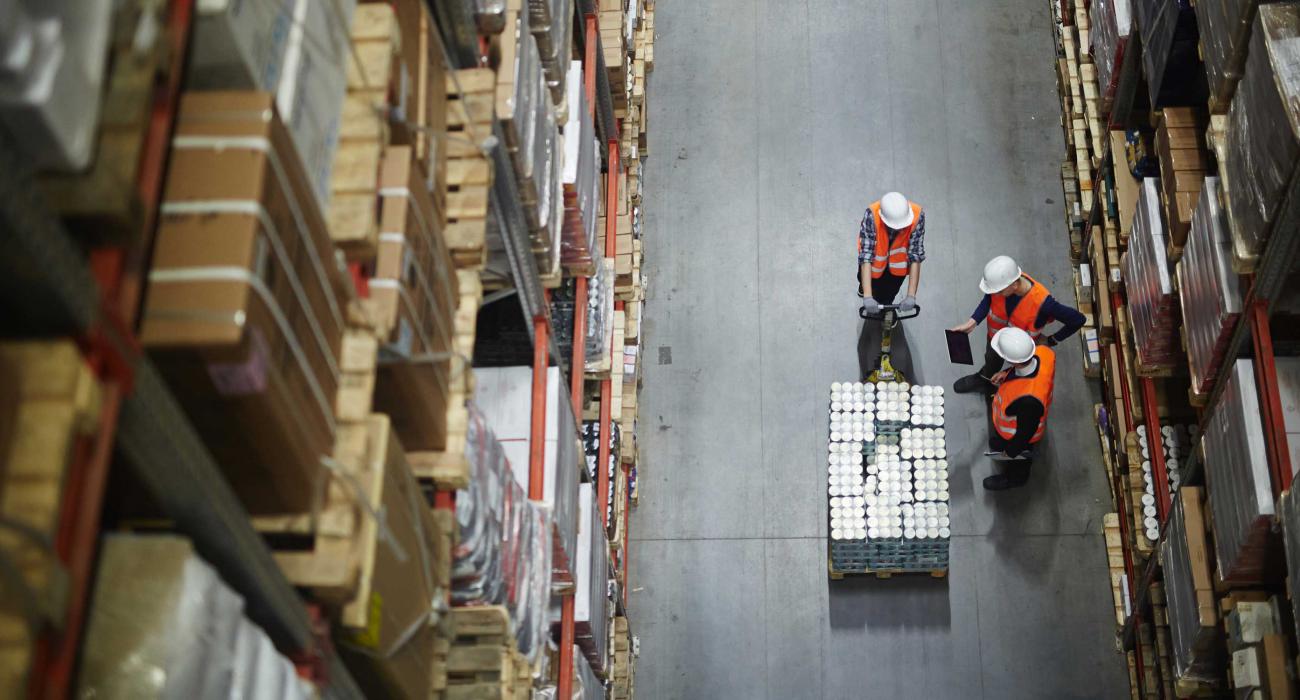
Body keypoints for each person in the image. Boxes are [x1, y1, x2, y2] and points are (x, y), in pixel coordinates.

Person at [949, 255, 1084, 395]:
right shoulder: (1003, 283)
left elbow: (1077, 320)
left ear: (1014, 285)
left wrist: (1051, 340)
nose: (996, 294)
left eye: (999, 291)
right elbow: (988, 299)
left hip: (1019, 349)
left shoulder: (1044, 303)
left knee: (1018, 377)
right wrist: (972, 322)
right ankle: (985, 378)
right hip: (995, 338)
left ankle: (1007, 385)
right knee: (991, 361)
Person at [983, 327, 1056, 490]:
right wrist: (1007, 373)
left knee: (1020, 457)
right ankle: (1004, 445)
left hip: (1019, 435)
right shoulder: (1044, 352)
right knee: (1006, 444)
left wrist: (1011, 451)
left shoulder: (1029, 401)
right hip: (1020, 418)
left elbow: (1024, 434)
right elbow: (1026, 366)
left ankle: (1015, 478)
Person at [858, 192, 924, 316]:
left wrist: (911, 295)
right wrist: (867, 296)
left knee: (888, 294)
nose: (899, 230)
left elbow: (915, 255)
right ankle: (863, 287)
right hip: (874, 264)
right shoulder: (872, 215)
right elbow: (866, 255)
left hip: (898, 266)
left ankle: (886, 312)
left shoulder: (917, 216)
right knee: (867, 283)